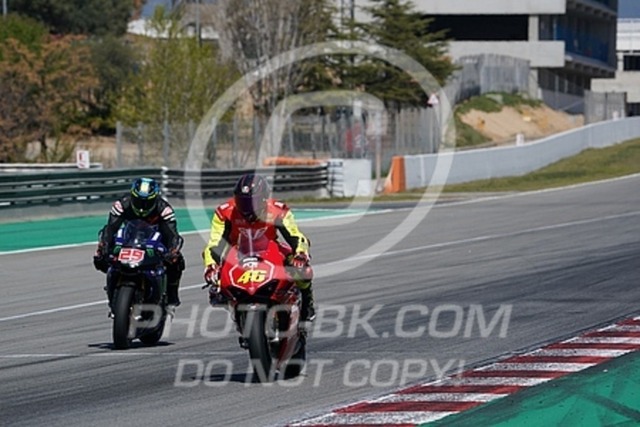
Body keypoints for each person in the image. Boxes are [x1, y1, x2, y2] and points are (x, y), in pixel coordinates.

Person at [202, 173, 316, 321]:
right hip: (237, 252)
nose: (247, 207)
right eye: (242, 202)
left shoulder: (278, 210)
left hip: (271, 250)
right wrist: (211, 266)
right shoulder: (225, 212)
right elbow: (214, 244)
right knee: (215, 283)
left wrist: (300, 254)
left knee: (303, 271)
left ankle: (307, 302)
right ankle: (235, 304)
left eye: (252, 202)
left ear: (264, 199)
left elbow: (296, 236)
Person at [93, 177, 185, 314]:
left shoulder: (164, 209)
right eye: (139, 201)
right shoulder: (121, 205)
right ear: (132, 196)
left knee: (177, 262)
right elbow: (111, 228)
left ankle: (171, 297)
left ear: (155, 199)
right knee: (101, 257)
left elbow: (171, 234)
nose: (142, 207)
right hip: (130, 238)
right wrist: (104, 246)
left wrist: (172, 251)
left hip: (156, 240)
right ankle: (114, 291)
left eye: (147, 202)